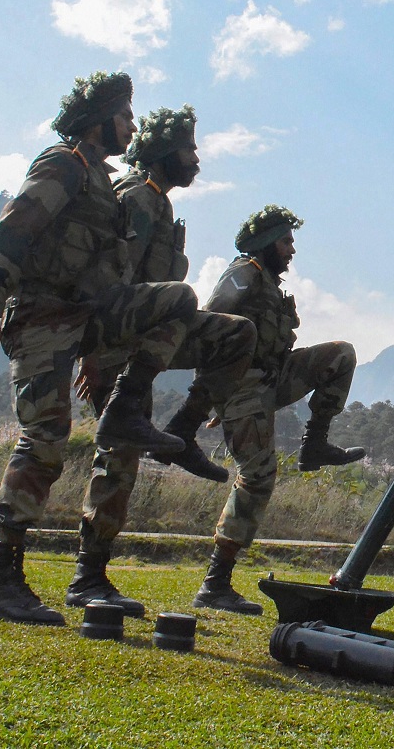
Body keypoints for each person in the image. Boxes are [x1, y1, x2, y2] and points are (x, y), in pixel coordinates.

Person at [0, 71, 208, 625]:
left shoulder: (101, 183)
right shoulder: (64, 166)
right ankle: (0, 579)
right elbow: (13, 231)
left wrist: (106, 349)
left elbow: (113, 272)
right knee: (46, 439)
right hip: (41, 320)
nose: (131, 125)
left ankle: (127, 410)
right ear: (100, 118)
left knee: (178, 299)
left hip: (83, 318)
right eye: (124, 115)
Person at [66, 105, 257, 617]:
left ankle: (184, 431)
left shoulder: (161, 207)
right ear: (163, 151)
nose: (196, 160)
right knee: (119, 460)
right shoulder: (135, 201)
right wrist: (93, 355)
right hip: (120, 347)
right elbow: (106, 284)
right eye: (189, 149)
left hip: (151, 345)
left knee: (237, 334)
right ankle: (89, 577)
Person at [185, 205, 365, 615]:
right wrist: (211, 395)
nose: (292, 249)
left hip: (274, 376)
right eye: (286, 241)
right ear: (266, 242)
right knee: (259, 474)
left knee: (340, 355)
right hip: (242, 386)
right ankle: (215, 583)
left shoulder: (267, 282)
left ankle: (314, 445)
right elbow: (207, 331)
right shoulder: (242, 275)